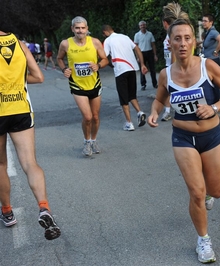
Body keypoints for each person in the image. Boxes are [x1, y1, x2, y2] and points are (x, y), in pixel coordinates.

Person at [147, 18, 220, 263]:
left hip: (211, 136)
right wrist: (155, 111)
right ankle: (204, 240)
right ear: (170, 43)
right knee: (196, 193)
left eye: (187, 38)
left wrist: (214, 108)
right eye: (177, 38)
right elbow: (159, 99)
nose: (183, 43)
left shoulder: (208, 66)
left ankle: (209, 196)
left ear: (194, 41)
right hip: (183, 137)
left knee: (214, 191)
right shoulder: (165, 74)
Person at [0, 30, 61, 240]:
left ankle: (7, 211)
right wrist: (16, 80)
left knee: (0, 165)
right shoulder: (16, 41)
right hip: (20, 108)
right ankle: (44, 207)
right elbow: (39, 76)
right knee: (30, 163)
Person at [56, 16, 109, 156]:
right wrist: (64, 69)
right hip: (77, 86)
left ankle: (93, 140)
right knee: (87, 117)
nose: (80, 31)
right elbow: (59, 58)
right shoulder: (66, 44)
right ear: (72, 29)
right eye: (77, 28)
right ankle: (86, 142)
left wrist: (98, 65)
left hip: (94, 84)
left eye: (83, 28)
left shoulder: (95, 42)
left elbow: (105, 59)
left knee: (96, 117)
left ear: (87, 28)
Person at [102, 24, 148, 131]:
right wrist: (142, 64)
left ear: (105, 32)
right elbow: (137, 49)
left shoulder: (108, 41)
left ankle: (129, 123)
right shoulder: (125, 37)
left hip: (120, 70)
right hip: (132, 69)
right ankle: (139, 112)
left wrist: (109, 64)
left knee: (123, 98)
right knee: (132, 95)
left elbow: (104, 57)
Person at [158, 2, 189, 122]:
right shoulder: (174, 34)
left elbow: (175, 55)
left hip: (175, 68)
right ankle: (168, 111)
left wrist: (172, 70)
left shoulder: (173, 36)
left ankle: (173, 112)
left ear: (165, 23)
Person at [134, 21, 158, 90]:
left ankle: (155, 83)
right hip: (141, 53)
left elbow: (153, 44)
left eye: (144, 25)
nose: (143, 26)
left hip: (149, 52)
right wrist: (137, 57)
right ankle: (143, 84)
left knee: (152, 69)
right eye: (141, 25)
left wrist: (155, 55)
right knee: (143, 69)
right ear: (139, 27)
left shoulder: (150, 34)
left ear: (146, 26)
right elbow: (136, 47)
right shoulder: (137, 35)